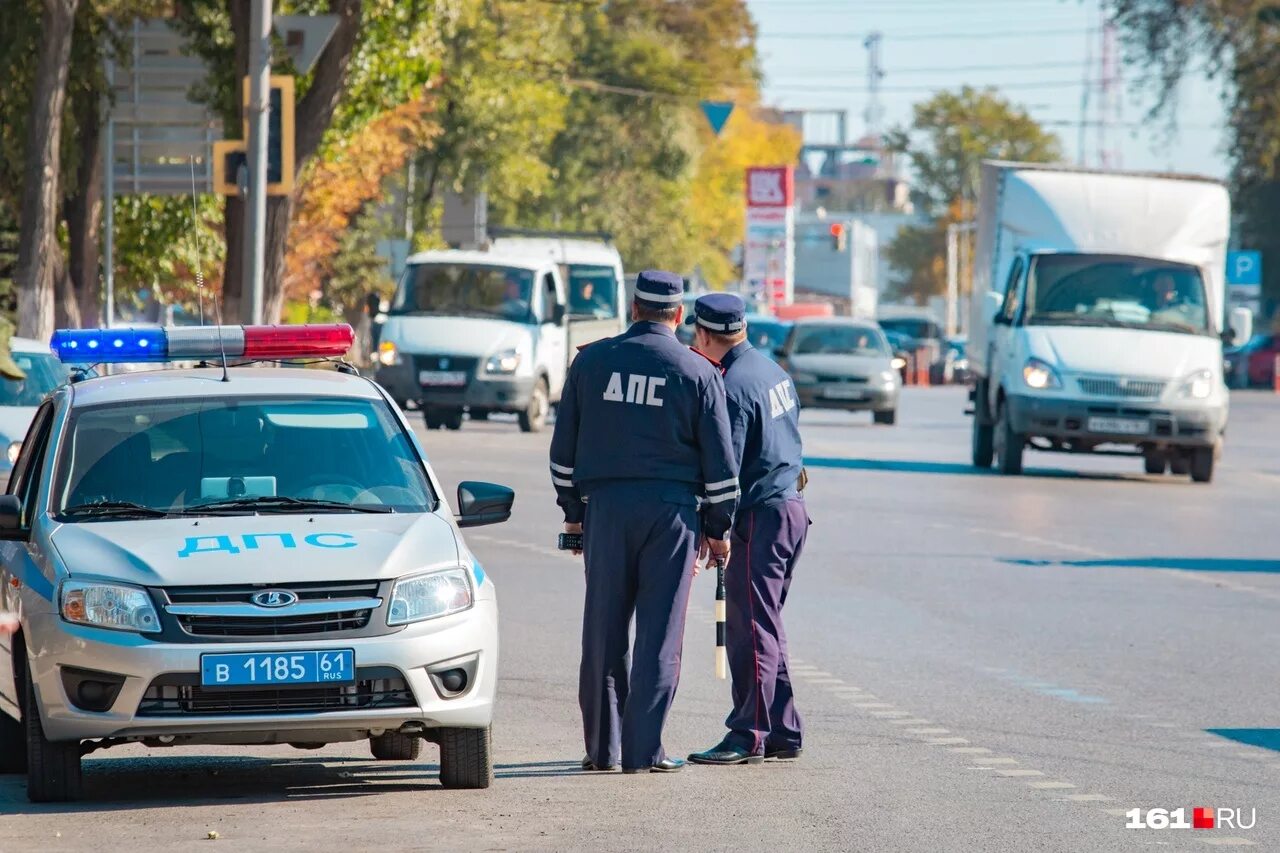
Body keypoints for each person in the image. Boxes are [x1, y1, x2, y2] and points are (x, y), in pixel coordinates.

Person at [549, 269, 739, 775]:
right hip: (672, 518)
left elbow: (562, 455)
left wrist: (574, 514)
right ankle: (643, 752)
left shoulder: (591, 363)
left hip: (606, 511)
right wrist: (718, 531)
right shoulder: (698, 373)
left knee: (604, 632)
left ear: (633, 308)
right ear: (679, 316)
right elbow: (722, 471)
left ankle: (602, 750)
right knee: (661, 635)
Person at [684, 293, 810, 767]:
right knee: (768, 625)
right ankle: (782, 729)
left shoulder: (731, 386)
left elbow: (726, 472)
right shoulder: (771, 371)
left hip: (760, 518)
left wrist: (714, 531)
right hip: (791, 508)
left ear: (703, 335)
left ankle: (748, 734)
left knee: (752, 631)